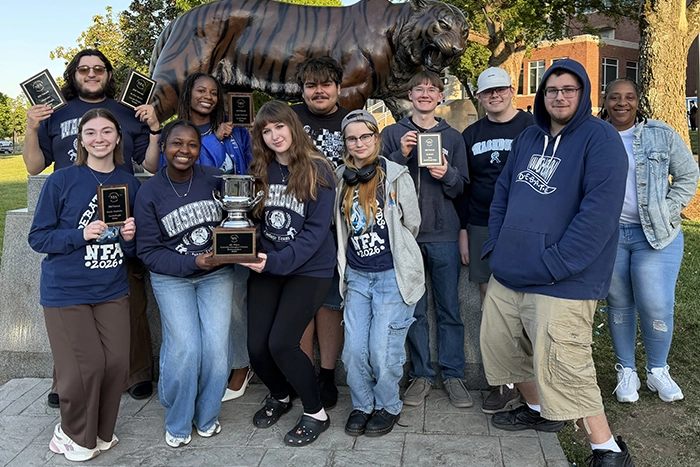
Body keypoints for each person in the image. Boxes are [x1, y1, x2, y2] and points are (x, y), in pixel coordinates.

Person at [480, 59, 635, 466]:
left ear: (583, 93)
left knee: (565, 363)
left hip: (563, 279)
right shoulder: (528, 139)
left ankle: (607, 450)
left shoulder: (600, 139)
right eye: (552, 90)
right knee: (506, 349)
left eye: (569, 89)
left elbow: (599, 214)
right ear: (542, 96)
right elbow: (502, 195)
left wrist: (556, 263)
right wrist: (497, 247)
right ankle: (537, 411)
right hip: (510, 270)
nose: (560, 96)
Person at [24, 48, 154, 407]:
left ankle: (137, 372)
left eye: (99, 68)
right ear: (74, 74)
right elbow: (35, 166)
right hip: (71, 217)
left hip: (120, 212)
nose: (92, 74)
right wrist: (31, 126)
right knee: (70, 313)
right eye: (84, 69)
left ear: (109, 74)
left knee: (130, 296)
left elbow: (151, 162)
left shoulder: (129, 112)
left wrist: (155, 127)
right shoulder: (54, 113)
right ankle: (64, 380)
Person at [28, 108, 140, 462]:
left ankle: (101, 431)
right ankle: (71, 433)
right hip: (67, 290)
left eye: (107, 131)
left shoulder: (129, 182)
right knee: (85, 367)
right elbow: (38, 237)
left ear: (118, 137)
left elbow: (130, 246)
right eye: (90, 132)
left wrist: (129, 238)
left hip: (111, 288)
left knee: (118, 364)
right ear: (81, 139)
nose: (99, 139)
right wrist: (81, 234)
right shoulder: (62, 180)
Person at [141, 72, 254, 402]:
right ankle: (188, 384)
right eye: (201, 91)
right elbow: (174, 173)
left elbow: (244, 174)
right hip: (187, 242)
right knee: (187, 335)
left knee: (236, 304)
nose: (208, 96)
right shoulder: (176, 136)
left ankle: (238, 366)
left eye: (214, 92)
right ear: (188, 93)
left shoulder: (234, 132)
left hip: (232, 230)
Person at [599, 78, 699, 404]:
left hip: (656, 235)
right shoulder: (593, 136)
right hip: (610, 235)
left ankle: (657, 370)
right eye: (615, 97)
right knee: (619, 303)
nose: (621, 103)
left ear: (637, 101)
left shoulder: (660, 133)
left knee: (655, 303)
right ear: (606, 100)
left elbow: (688, 175)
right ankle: (626, 371)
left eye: (629, 97)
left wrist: (665, 209)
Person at [134, 120, 234, 448]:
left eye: (192, 144)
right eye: (177, 143)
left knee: (217, 351)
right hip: (172, 279)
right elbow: (147, 251)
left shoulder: (216, 179)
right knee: (187, 348)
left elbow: (238, 220)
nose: (184, 151)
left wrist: (236, 246)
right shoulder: (149, 191)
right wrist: (193, 261)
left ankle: (206, 417)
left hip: (215, 275)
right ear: (163, 147)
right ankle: (178, 421)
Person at [242, 100, 336, 446]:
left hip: (308, 269)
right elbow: (254, 220)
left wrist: (274, 263)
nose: (274, 135)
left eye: (279, 127)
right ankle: (281, 395)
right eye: (266, 131)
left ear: (292, 127)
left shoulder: (318, 169)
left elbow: (314, 234)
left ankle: (316, 412)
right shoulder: (260, 169)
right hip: (267, 266)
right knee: (256, 348)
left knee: (282, 343)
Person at [381, 70, 470, 408]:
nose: (425, 94)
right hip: (406, 235)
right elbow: (377, 180)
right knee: (414, 310)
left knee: (449, 308)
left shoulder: (454, 137)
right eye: (419, 88)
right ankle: (421, 374)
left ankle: (454, 374)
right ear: (410, 94)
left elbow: (461, 186)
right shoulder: (392, 133)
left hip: (444, 234)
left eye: (432, 89)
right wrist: (400, 156)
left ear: (440, 97)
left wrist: (446, 174)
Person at [335, 110, 424, 437]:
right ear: (345, 142)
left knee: (383, 352)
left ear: (376, 137)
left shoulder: (397, 175)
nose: (359, 143)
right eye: (352, 138)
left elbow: (411, 224)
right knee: (354, 350)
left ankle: (388, 406)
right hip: (357, 278)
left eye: (365, 136)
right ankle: (363, 404)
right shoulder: (341, 178)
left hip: (391, 277)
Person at [459, 67, 533, 414]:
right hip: (482, 224)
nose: (495, 96)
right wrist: (463, 230)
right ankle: (501, 382)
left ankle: (532, 380)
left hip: (524, 225)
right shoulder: (471, 133)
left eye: (500, 90)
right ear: (480, 96)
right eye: (488, 92)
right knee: (490, 303)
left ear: (512, 90)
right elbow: (465, 187)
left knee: (528, 303)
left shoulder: (533, 128)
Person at [292, 56, 351, 409]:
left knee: (331, 304)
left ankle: (326, 375)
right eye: (311, 85)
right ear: (303, 90)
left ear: (338, 88)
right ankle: (302, 373)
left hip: (337, 229)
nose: (319, 91)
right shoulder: (290, 118)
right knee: (300, 307)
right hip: (295, 229)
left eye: (325, 84)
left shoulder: (351, 121)